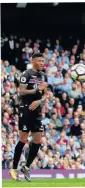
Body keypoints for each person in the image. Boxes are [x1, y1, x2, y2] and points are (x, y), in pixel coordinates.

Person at [9, 53, 48, 182]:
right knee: (23, 138)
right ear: (33, 61)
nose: (42, 63)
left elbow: (45, 95)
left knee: (38, 140)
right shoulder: (26, 74)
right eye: (40, 61)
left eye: (43, 60)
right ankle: (14, 168)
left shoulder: (43, 76)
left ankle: (26, 167)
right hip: (25, 108)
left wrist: (39, 101)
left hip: (36, 109)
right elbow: (21, 91)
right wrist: (37, 89)